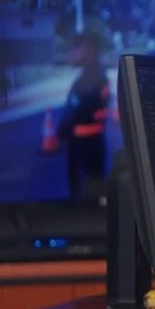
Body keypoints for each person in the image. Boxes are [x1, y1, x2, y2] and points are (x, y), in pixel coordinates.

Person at [58, 32, 110, 201]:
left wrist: (63, 130)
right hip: (86, 145)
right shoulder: (92, 77)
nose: (74, 52)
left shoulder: (90, 79)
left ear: (89, 50)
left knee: (88, 195)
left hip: (85, 146)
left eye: (78, 47)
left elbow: (77, 111)